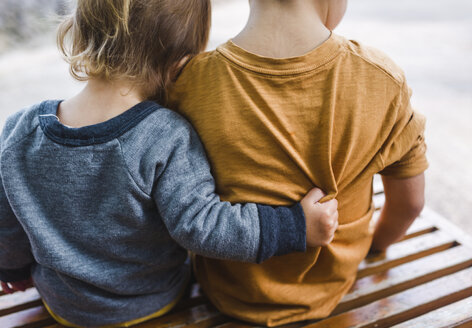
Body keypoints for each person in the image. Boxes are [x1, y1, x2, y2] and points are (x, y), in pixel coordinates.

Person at [0, 0, 340, 327]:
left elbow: (8, 225)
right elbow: (202, 226)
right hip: (151, 300)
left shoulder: (20, 129)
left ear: (82, 29)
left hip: (65, 305)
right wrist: (295, 226)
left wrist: (11, 271)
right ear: (180, 61)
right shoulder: (164, 136)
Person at [167, 0, 428, 326]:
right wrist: (374, 246)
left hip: (226, 290)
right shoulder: (383, 79)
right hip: (334, 289)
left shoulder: (189, 82)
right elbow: (411, 203)